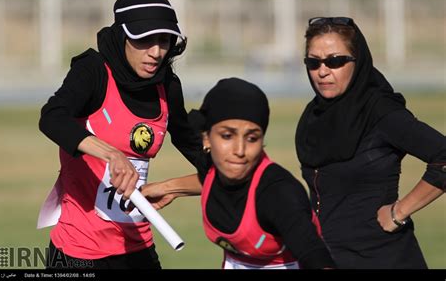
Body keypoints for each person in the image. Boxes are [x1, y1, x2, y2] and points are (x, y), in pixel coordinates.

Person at [37, 0, 204, 269]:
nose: (156, 52)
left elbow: (195, 148)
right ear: (123, 35)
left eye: (164, 41)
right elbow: (52, 117)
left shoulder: (168, 85)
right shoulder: (94, 71)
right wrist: (112, 154)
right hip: (78, 252)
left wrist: (172, 188)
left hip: (138, 244)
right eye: (145, 40)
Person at [295, 16, 445, 269]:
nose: (322, 71)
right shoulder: (314, 115)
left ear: (358, 60)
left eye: (335, 61)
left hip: (382, 257)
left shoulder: (382, 112)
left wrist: (399, 212)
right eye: (313, 62)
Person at [142, 78, 336, 269]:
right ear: (206, 138)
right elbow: (212, 180)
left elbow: (314, 254)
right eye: (227, 136)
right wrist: (168, 188)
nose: (240, 150)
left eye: (252, 138)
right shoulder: (214, 167)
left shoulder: (278, 193)